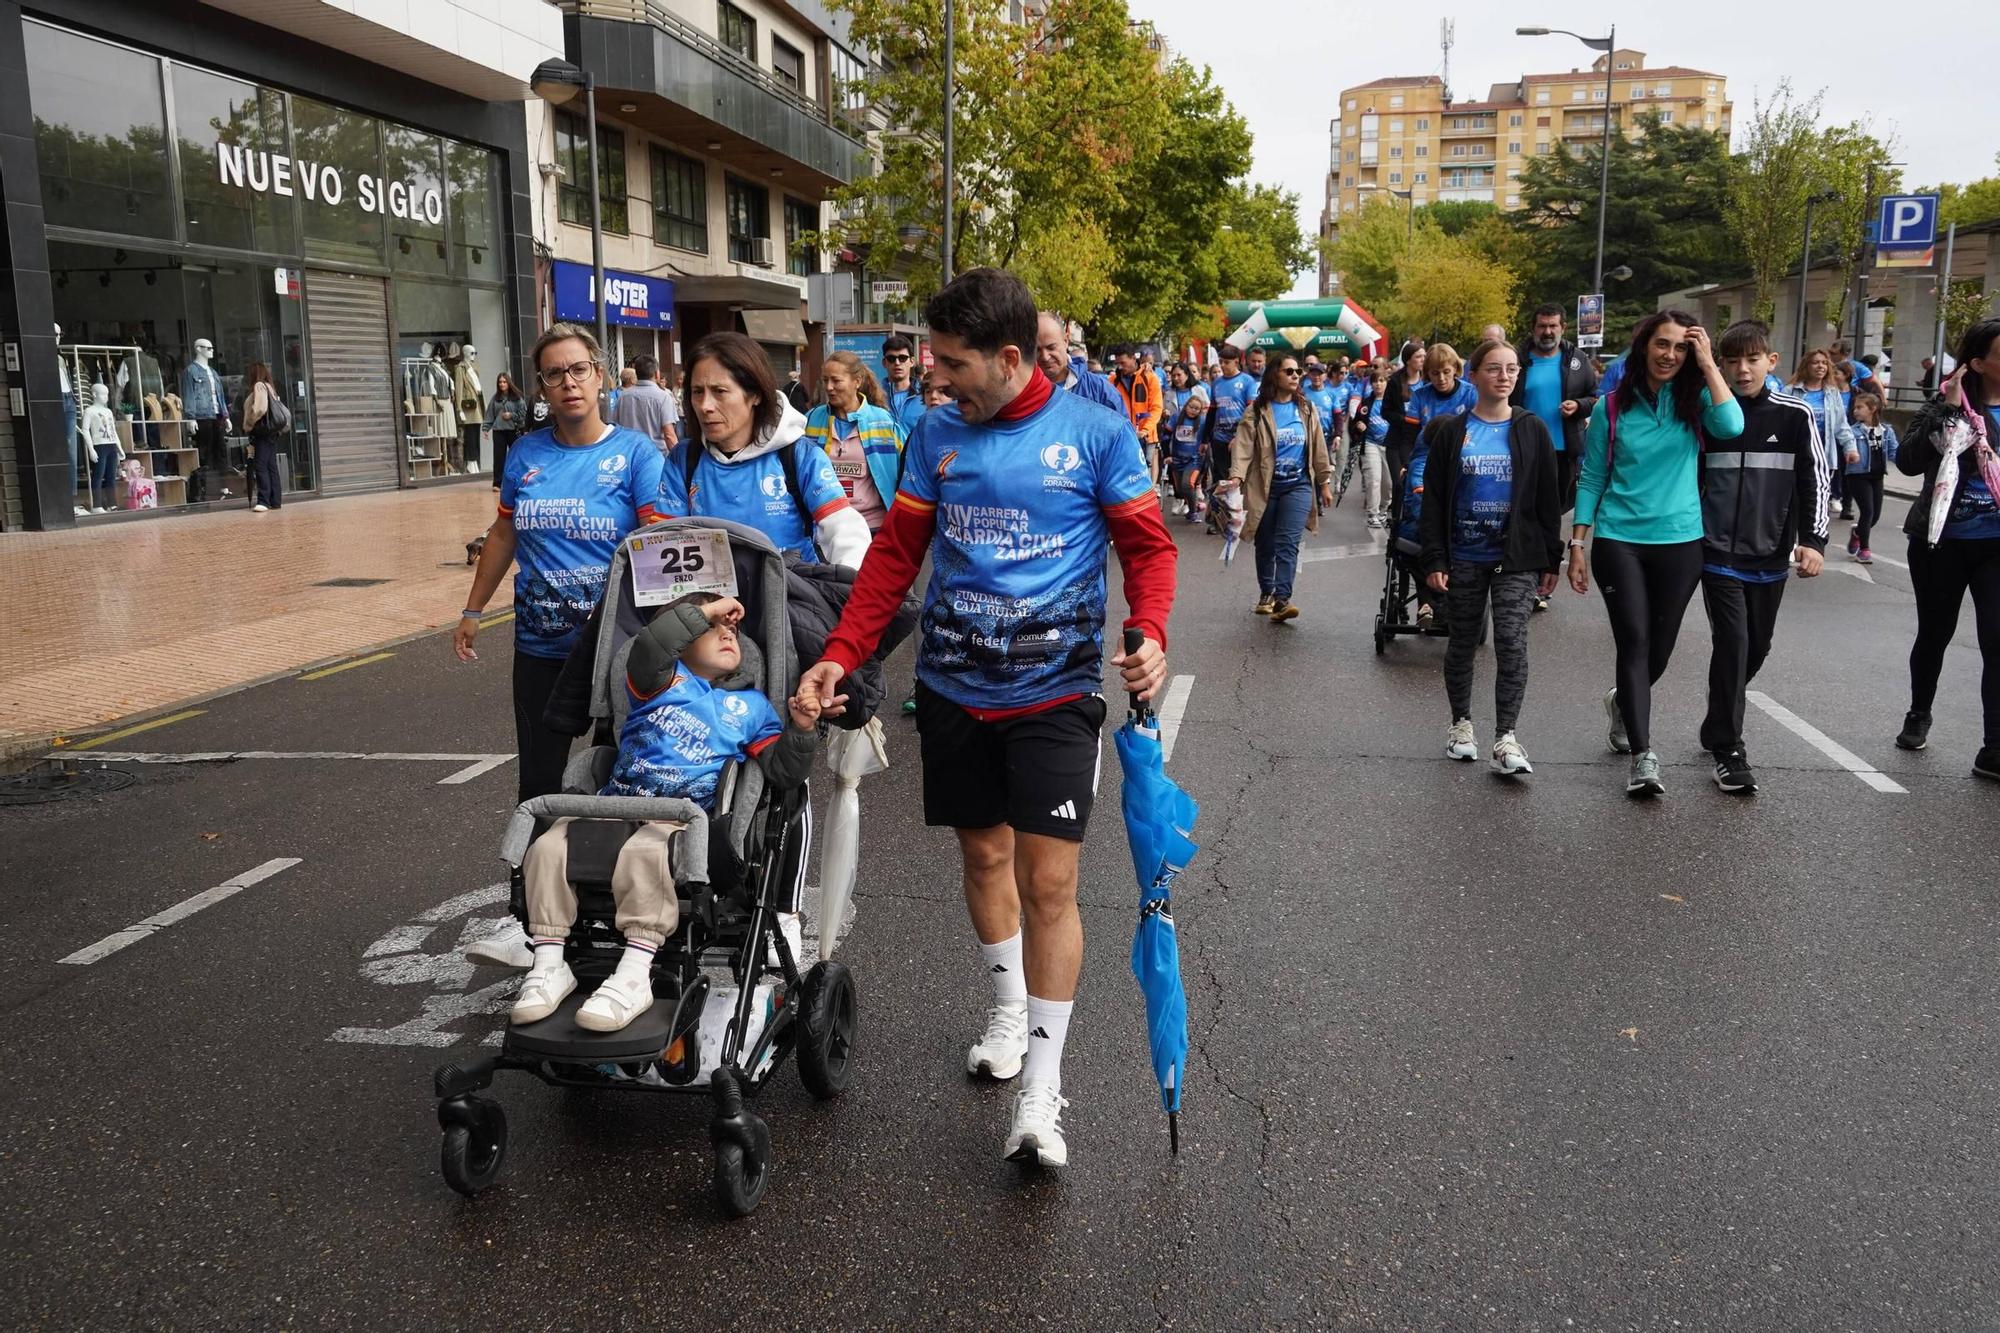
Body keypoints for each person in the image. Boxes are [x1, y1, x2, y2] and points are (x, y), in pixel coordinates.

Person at [796, 267, 1176, 1169]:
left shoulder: (1094, 432)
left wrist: (1150, 632)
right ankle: (1009, 1006)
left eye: (953, 365)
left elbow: (1147, 547)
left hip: (1055, 692)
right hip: (956, 686)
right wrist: (843, 651)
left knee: (1050, 884)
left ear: (1010, 359)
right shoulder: (935, 436)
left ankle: (1043, 1090)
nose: (937, 380)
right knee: (983, 854)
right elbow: (894, 558)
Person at [512, 593, 822, 1032]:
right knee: (548, 847)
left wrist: (803, 730)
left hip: (682, 819)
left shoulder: (752, 708)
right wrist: (707, 610)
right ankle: (548, 964)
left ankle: (635, 975)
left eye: (732, 629)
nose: (727, 631)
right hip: (615, 806)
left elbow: (784, 772)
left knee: (646, 853)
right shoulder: (661, 680)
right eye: (712, 628)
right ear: (682, 639)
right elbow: (652, 646)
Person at [456, 322, 668, 804]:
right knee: (537, 785)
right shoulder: (526, 452)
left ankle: (608, 876)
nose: (569, 382)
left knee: (618, 782)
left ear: (600, 376)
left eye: (579, 369)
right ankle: (533, 877)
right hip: (540, 648)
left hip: (618, 645)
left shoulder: (636, 454)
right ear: (542, 387)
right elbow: (504, 533)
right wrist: (473, 611)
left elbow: (656, 545)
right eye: (555, 374)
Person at [1567, 309, 1744, 797]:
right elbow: (1593, 477)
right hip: (1620, 539)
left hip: (1681, 541)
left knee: (1661, 649)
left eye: (1681, 348)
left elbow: (1731, 425)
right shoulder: (1611, 407)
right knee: (1635, 641)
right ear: (1644, 345)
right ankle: (1643, 756)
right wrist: (1578, 543)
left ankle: (1623, 701)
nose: (1670, 355)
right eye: (1662, 344)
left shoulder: (1699, 400)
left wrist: (1709, 364)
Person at [1417, 341, 1561, 775]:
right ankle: (1461, 725)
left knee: (1513, 642)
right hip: (1463, 555)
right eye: (1494, 368)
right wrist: (1435, 559)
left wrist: (1550, 558)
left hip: (1515, 557)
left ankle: (1507, 737)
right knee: (1462, 641)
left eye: (1512, 369)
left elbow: (1547, 498)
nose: (1504, 376)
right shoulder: (1453, 432)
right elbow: (1435, 500)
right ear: (1473, 375)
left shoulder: (1531, 428)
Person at [1699, 319, 1829, 794]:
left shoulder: (1795, 416)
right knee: (1732, 644)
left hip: (1771, 557)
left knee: (1756, 648)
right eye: (1730, 361)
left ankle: (1718, 718)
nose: (1741, 370)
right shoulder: (1713, 417)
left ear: (1771, 362)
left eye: (1751, 360)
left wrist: (1814, 542)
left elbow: (1815, 480)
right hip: (1715, 554)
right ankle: (1729, 751)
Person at [660, 332, 870, 568]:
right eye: (697, 392)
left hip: (791, 599)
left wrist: (852, 593)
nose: (705, 406)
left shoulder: (799, 456)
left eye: (720, 391)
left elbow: (844, 530)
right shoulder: (683, 459)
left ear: (756, 394)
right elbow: (663, 547)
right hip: (710, 603)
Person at [1893, 317, 2000, 779]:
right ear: (1979, 363)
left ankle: (1994, 747)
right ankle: (1919, 710)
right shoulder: (1945, 405)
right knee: (1935, 632)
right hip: (1942, 542)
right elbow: (1908, 460)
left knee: (1997, 642)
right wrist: (1948, 410)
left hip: (1997, 544)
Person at [1221, 352, 1334, 622]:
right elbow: (1244, 447)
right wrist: (1236, 476)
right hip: (1265, 486)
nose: (1296, 376)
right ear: (1275, 375)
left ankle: (1282, 599)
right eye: (1290, 371)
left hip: (1298, 486)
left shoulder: (1306, 409)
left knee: (1288, 541)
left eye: (1298, 372)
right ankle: (1267, 592)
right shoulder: (1257, 411)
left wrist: (1324, 482)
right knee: (1266, 542)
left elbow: (1318, 447)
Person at [1509, 305, 1600, 567]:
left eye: (1553, 326)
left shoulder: (1578, 360)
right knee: (1524, 509)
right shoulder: (1519, 359)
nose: (1547, 332)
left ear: (1563, 328)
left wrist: (1578, 406)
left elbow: (1595, 397)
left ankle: (1544, 569)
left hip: (1563, 451)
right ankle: (1526, 566)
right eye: (1542, 326)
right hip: (1523, 450)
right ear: (1532, 328)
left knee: (1553, 513)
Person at [804, 351, 903, 537]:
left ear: (856, 381)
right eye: (825, 380)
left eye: (836, 380)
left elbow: (907, 469)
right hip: (826, 527)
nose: (829, 387)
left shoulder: (883, 421)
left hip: (873, 527)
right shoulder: (811, 419)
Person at [1790, 348, 1855, 520]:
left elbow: (1841, 424)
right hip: (1798, 454)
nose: (1821, 366)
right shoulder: (1790, 391)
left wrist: (1850, 448)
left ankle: (1812, 540)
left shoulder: (1832, 393)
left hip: (1824, 456)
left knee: (1817, 502)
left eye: (1824, 363)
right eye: (1816, 362)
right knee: (1795, 500)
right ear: (1806, 366)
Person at [1203, 344, 1259, 534]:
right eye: (1221, 362)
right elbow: (1212, 412)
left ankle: (1239, 518)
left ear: (1236, 362)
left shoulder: (1247, 382)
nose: (1223, 366)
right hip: (1219, 438)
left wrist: (1239, 437)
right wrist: (1204, 439)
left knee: (1236, 480)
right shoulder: (1217, 383)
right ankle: (1219, 520)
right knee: (1219, 480)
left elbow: (1251, 413)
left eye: (1227, 362)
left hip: (1239, 441)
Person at [1033, 312, 1125, 415]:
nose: (1045, 357)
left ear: (1066, 341)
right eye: (1037, 350)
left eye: (1051, 347)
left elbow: (1121, 429)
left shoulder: (1100, 390)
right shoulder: (1021, 393)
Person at [1845, 389, 1897, 563]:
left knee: (1875, 516)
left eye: (1860, 407)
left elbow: (1894, 453)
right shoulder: (1852, 431)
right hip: (1858, 475)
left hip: (1877, 476)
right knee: (1867, 511)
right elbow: (1846, 447)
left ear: (1873, 408)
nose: (1855, 411)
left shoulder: (1887, 431)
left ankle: (1857, 533)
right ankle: (1864, 549)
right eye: (1854, 407)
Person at [1380, 340, 1428, 501]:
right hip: (1397, 440)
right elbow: (1385, 411)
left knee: (1417, 484)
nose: (1423, 360)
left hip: (1420, 441)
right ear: (1408, 360)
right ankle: (1396, 520)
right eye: (1418, 357)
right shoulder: (1395, 381)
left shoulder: (1428, 382)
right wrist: (1407, 420)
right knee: (1399, 483)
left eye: (1424, 356)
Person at [236, 362, 285, 512]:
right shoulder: (270, 387)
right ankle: (275, 500)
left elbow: (260, 408)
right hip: (272, 432)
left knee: (261, 465)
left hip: (262, 432)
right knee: (271, 466)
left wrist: (249, 424)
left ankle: (263, 500)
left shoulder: (259, 385)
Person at [1164, 362, 1209, 519]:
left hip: (1194, 457)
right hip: (1176, 453)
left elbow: (1207, 429)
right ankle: (1194, 505)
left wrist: (1205, 448)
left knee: (1187, 484)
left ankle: (1193, 511)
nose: (1176, 378)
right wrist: (1166, 455)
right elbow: (1166, 433)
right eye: (1173, 375)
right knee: (1180, 489)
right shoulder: (1170, 396)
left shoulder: (1199, 393)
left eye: (1179, 375)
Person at [610, 352, 679, 455]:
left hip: (629, 454)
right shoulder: (663, 397)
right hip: (656, 456)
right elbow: (669, 435)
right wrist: (678, 461)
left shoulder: (622, 397)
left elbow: (615, 427)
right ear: (657, 374)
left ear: (637, 374)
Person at [1112, 345, 1163, 479]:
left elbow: (1156, 408)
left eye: (1123, 363)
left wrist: (1145, 430)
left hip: (1146, 436)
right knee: (1128, 475)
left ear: (1134, 358)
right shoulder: (1113, 381)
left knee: (1146, 476)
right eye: (1117, 364)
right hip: (1124, 436)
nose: (1120, 367)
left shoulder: (1149, 377)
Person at [1408, 342, 1477, 436]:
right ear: (1427, 373)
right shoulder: (1419, 396)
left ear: (1455, 368)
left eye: (1446, 372)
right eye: (1435, 373)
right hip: (1427, 448)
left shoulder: (1471, 394)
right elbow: (1409, 435)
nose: (1441, 378)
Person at [1358, 359, 1394, 527]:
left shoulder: (1394, 402)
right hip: (1371, 443)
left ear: (1387, 383)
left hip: (1389, 444)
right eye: (1375, 382)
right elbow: (1356, 421)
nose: (1378, 385)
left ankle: (1383, 509)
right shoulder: (1366, 403)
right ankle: (1372, 514)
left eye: (1381, 381)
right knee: (1374, 479)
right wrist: (1359, 424)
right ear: (1371, 384)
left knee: (1389, 482)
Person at [484, 372, 526, 492]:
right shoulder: (495, 398)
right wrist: (486, 428)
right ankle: (497, 483)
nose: (502, 384)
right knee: (499, 458)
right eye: (500, 382)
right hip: (499, 431)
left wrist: (511, 415)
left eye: (504, 382)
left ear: (509, 383)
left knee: (516, 457)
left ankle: (518, 481)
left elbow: (523, 414)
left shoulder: (518, 398)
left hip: (514, 430)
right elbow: (490, 414)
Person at [881, 333, 926, 436]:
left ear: (912, 362)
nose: (897, 363)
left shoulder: (925, 394)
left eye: (902, 358)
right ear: (884, 363)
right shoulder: (875, 395)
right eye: (891, 358)